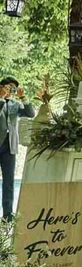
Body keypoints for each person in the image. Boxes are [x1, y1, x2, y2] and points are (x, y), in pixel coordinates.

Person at [0, 76, 35, 220]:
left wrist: (23, 98)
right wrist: (1, 98)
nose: (10, 90)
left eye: (13, 88)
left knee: (9, 181)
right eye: (8, 87)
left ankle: (7, 215)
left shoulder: (15, 104)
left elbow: (31, 114)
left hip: (9, 146)